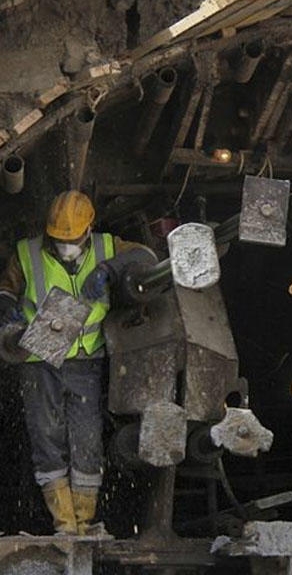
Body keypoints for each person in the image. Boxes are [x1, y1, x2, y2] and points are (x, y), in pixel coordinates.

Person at [0, 191, 156, 535]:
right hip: (38, 359)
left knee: (86, 439)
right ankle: (64, 524)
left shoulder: (107, 246)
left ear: (88, 230)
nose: (65, 246)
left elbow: (146, 256)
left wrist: (108, 269)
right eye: (58, 240)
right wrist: (5, 306)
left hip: (85, 360)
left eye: (71, 240)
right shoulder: (27, 252)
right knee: (46, 436)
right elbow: (7, 288)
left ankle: (84, 522)